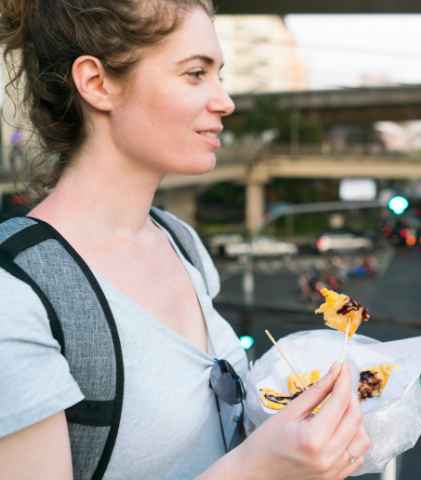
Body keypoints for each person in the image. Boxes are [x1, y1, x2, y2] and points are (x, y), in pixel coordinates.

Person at [0, 1, 370, 479]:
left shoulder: (180, 241)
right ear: (97, 83)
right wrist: (259, 470)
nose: (225, 101)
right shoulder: (15, 292)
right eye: (196, 74)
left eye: (219, 74)